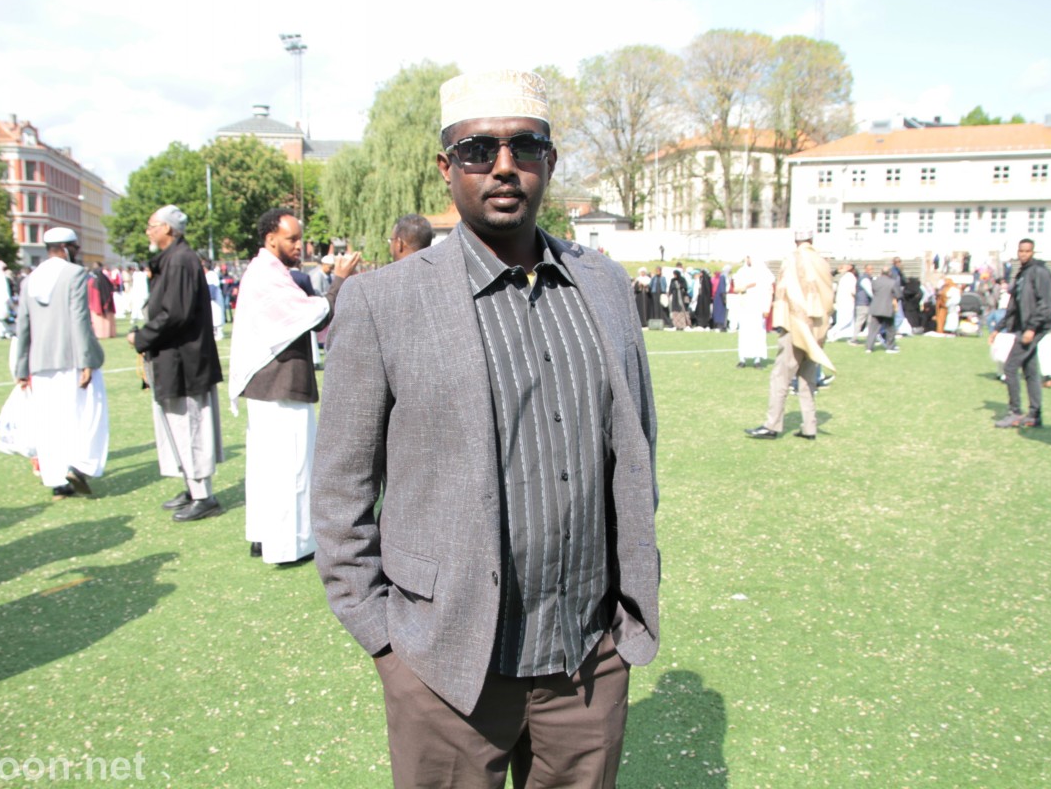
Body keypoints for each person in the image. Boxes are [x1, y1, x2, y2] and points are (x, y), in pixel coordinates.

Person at [312, 69, 660, 788]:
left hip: (587, 661)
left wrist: (622, 630)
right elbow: (341, 489)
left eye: (524, 147)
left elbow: (636, 453)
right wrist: (383, 640)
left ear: (549, 161)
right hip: (442, 670)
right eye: (477, 150)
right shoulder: (383, 302)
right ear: (447, 168)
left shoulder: (603, 286)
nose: (503, 166)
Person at [228, 208, 359, 563]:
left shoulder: (267, 271)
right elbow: (312, 314)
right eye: (292, 239)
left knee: (268, 468)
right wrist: (340, 281)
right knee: (292, 468)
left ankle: (265, 536)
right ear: (271, 238)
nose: (300, 245)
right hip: (279, 383)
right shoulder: (266, 274)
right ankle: (290, 545)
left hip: (269, 384)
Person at [128, 205, 226, 521]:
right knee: (177, 425)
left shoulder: (181, 260)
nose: (148, 232)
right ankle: (191, 487)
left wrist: (142, 337)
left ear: (167, 229)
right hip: (174, 358)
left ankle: (203, 495)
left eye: (152, 226)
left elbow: (175, 314)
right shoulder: (172, 260)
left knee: (190, 424)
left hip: (186, 360)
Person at [13, 227, 108, 498]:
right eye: (75, 246)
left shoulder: (30, 279)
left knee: (49, 422)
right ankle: (80, 466)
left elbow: (23, 326)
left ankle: (58, 481)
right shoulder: (74, 274)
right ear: (66, 247)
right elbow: (79, 318)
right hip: (72, 358)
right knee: (87, 414)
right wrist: (87, 360)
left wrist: (22, 368)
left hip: (39, 362)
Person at [745, 230, 835, 440]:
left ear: (796, 241)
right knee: (807, 379)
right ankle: (809, 426)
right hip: (817, 328)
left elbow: (785, 291)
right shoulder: (822, 262)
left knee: (781, 377)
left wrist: (784, 320)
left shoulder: (792, 260)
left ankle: (772, 424)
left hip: (797, 325)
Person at [990, 238, 1051, 428]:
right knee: (1030, 370)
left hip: (1032, 327)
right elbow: (1014, 306)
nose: (1023, 254)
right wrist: (998, 327)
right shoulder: (1022, 274)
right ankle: (1035, 414)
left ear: (1033, 252)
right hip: (1023, 326)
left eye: (1027, 251)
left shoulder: (1039, 272)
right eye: (1021, 251)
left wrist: (1032, 328)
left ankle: (1015, 412)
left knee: (1010, 368)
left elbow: (1046, 303)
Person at [733, 255, 774, 367]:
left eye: (750, 257)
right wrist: (747, 286)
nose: (748, 260)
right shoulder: (742, 272)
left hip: (758, 308)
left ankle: (757, 359)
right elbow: (736, 288)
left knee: (758, 333)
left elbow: (769, 291)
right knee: (744, 333)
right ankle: (742, 359)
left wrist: (767, 308)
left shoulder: (764, 273)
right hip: (745, 306)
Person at [865, 267, 902, 353]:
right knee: (890, 329)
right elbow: (898, 295)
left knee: (873, 329)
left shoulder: (875, 282)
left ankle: (869, 347)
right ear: (889, 273)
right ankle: (890, 347)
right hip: (888, 308)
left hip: (876, 307)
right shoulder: (892, 282)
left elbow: (873, 292)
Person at [828, 263, 856, 342]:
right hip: (848, 301)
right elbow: (853, 291)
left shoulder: (844, 277)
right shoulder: (851, 277)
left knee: (844, 319)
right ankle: (832, 332)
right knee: (846, 319)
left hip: (841, 300)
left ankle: (846, 335)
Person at [87, 264, 117, 339]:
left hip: (97, 303)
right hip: (107, 303)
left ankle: (100, 333)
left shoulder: (93, 282)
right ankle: (110, 333)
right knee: (108, 319)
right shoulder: (106, 280)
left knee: (99, 320)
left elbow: (92, 294)